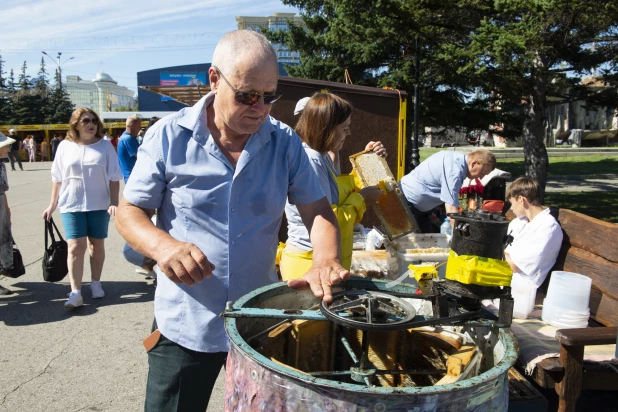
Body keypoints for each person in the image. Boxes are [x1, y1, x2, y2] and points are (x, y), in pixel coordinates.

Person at [115, 30, 347, 412]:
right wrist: (163, 247)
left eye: (270, 96)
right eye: (246, 95)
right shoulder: (168, 136)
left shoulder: (284, 141)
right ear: (213, 79)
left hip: (260, 317)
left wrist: (325, 259)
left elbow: (317, 210)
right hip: (185, 321)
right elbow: (129, 212)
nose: (259, 108)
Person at [280, 93, 386, 279]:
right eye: (344, 129)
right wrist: (361, 199)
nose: (349, 133)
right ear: (327, 130)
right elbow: (330, 219)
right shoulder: (311, 161)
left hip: (320, 262)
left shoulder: (321, 157)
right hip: (309, 263)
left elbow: (340, 195)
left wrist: (367, 159)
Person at [42, 108, 123, 308]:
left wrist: (114, 202)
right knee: (76, 247)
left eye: (94, 120)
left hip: (99, 204)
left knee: (96, 245)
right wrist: (52, 204)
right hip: (71, 203)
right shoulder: (65, 146)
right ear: (76, 124)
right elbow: (57, 178)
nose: (91, 124)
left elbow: (114, 177)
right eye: (86, 120)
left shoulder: (105, 146)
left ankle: (96, 282)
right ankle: (75, 292)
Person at [399, 149, 496, 232]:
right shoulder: (455, 171)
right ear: (474, 164)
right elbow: (451, 211)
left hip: (413, 204)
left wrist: (433, 205)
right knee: (406, 246)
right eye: (482, 173)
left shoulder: (455, 159)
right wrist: (461, 236)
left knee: (425, 241)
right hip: (405, 203)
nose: (481, 177)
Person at [504, 177, 563, 292]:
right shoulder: (519, 222)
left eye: (512, 203)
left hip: (518, 290)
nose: (511, 208)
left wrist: (498, 249)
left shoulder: (547, 227)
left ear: (521, 199)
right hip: (504, 281)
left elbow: (513, 265)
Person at [0, 131, 16, 295]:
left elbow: (2, 191)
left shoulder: (1, 165)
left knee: (2, 242)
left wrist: (7, 212)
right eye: (5, 146)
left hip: (1, 210)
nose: (8, 149)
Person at [117, 116, 141, 183]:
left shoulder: (124, 137)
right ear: (132, 126)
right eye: (139, 126)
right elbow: (141, 156)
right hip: (133, 177)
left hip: (129, 176)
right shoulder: (128, 139)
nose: (140, 129)